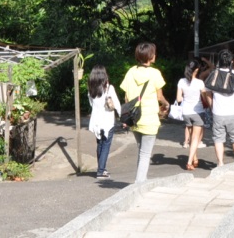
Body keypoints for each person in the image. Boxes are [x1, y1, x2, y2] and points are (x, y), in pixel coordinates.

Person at [120, 41, 169, 183]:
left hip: (135, 118)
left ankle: (142, 180)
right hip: (149, 118)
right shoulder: (155, 73)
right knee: (145, 153)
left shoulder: (131, 72)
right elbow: (160, 97)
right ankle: (139, 184)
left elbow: (127, 97)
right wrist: (166, 104)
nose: (155, 55)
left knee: (142, 152)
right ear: (150, 56)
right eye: (153, 52)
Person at [205, 48, 234, 166]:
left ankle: (220, 163)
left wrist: (212, 106)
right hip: (233, 111)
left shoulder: (213, 74)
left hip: (218, 112)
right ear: (231, 61)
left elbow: (207, 93)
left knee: (218, 138)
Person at [87, 65, 122, 179]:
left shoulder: (91, 89)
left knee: (100, 144)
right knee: (106, 144)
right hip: (107, 120)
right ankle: (101, 171)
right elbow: (116, 104)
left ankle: (102, 169)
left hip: (96, 121)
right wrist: (124, 117)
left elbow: (91, 104)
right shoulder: (108, 88)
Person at [174, 59, 207, 170]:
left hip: (186, 112)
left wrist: (186, 98)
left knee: (193, 137)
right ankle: (189, 162)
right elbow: (204, 97)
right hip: (197, 112)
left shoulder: (181, 81)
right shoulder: (200, 83)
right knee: (196, 139)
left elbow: (179, 99)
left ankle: (195, 158)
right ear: (196, 70)